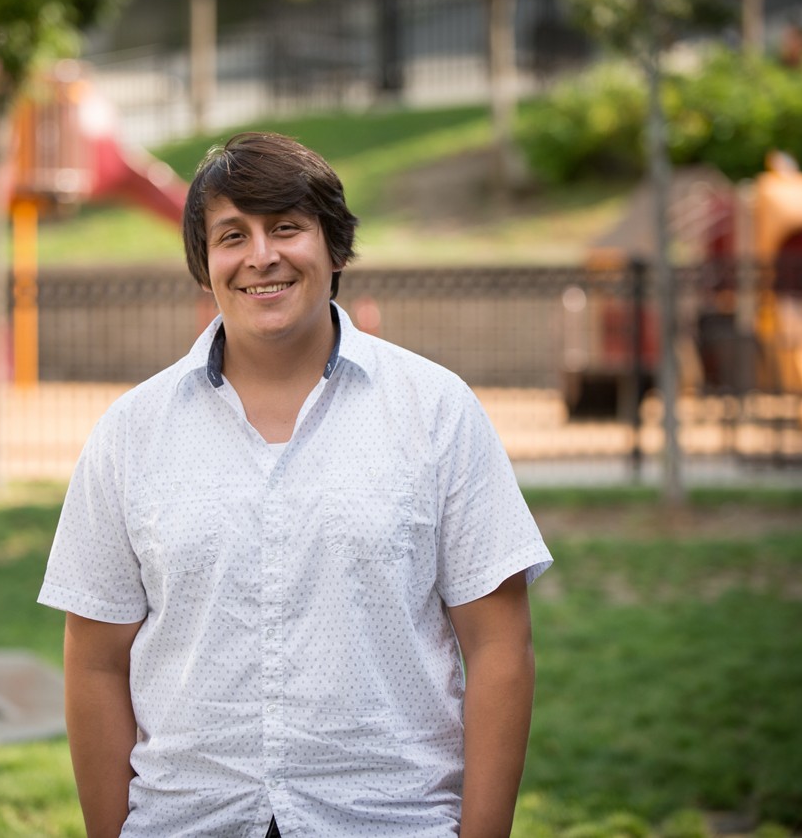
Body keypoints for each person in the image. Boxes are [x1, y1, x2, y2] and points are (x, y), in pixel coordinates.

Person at [38, 132, 552, 837]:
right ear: (205, 263)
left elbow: (499, 644)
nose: (261, 256)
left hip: (390, 821)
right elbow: (94, 662)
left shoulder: (436, 411)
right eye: (232, 235)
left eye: (286, 227)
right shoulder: (131, 433)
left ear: (334, 249)